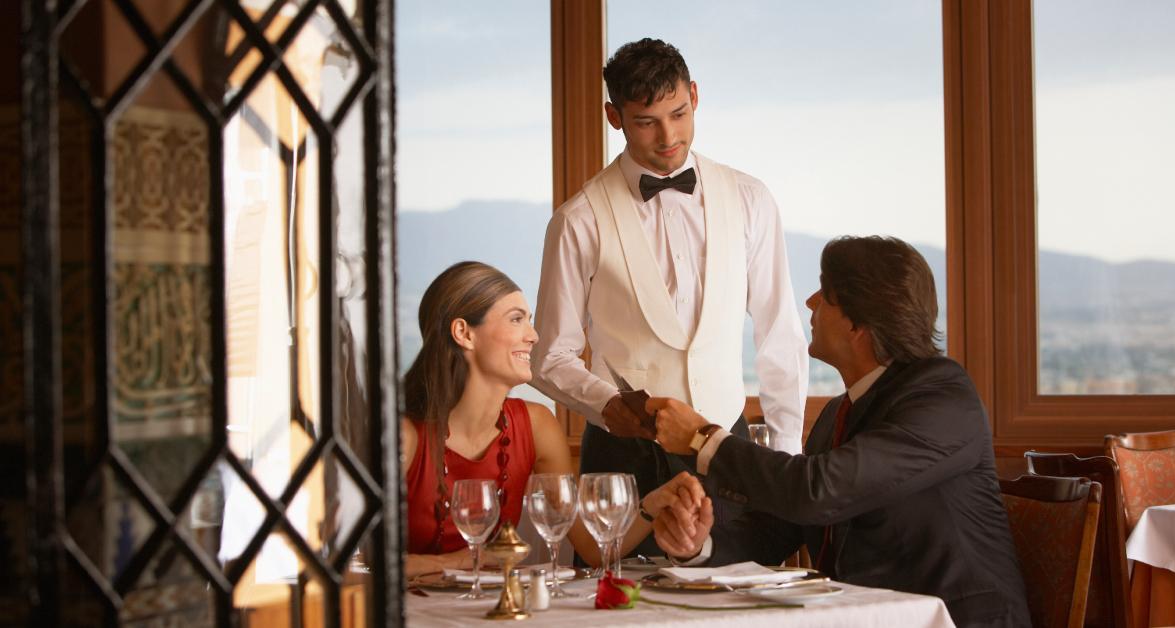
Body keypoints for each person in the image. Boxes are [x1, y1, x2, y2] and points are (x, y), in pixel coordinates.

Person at [649, 236, 1032, 628]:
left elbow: (816, 490)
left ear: (858, 323)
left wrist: (703, 440)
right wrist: (699, 545)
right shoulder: (839, 412)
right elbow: (779, 527)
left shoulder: (945, 399)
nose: (810, 302)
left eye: (825, 294)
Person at [530, 38, 808, 557]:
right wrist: (607, 404)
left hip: (727, 446)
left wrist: (787, 460)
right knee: (625, 608)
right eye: (645, 121)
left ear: (695, 95)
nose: (667, 136)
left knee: (741, 600)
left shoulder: (750, 199)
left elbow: (779, 335)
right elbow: (549, 356)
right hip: (623, 460)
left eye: (678, 113)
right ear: (614, 116)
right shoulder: (578, 220)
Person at [401, 261, 698, 577]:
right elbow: (350, 562)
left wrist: (653, 505)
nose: (533, 336)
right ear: (464, 333)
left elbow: (591, 549)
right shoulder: (404, 436)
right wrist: (455, 563)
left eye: (529, 321)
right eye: (517, 319)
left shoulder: (535, 425)